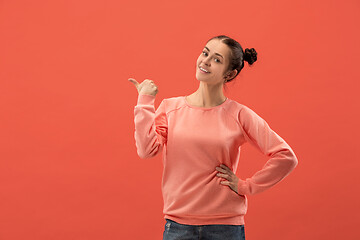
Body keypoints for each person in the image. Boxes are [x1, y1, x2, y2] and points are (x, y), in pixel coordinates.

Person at [128, 35, 298, 240]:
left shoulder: (238, 114)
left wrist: (246, 186)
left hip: (225, 228)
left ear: (230, 74)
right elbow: (146, 151)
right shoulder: (171, 108)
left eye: (217, 59)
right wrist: (145, 102)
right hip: (178, 225)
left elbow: (286, 156)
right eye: (205, 52)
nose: (205, 61)